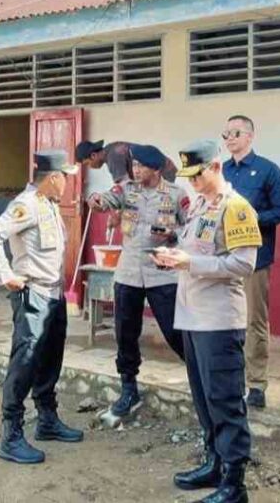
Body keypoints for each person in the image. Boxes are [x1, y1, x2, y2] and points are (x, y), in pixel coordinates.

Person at [152, 140, 261, 503]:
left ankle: (234, 482)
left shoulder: (237, 208)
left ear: (216, 166)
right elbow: (193, 251)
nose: (193, 182)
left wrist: (190, 263)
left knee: (225, 400)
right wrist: (171, 257)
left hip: (219, 320)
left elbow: (243, 264)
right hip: (193, 316)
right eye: (189, 177)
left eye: (198, 175)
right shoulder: (199, 204)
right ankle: (214, 462)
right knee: (204, 399)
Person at [0, 149, 84, 465]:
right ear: (53, 178)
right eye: (65, 177)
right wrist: (6, 275)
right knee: (25, 361)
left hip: (53, 294)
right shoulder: (25, 205)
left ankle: (47, 419)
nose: (67, 182)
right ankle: (11, 434)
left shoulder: (49, 203)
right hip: (33, 294)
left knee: (50, 358)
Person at [87, 144, 188, 418]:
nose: (136, 170)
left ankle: (200, 375)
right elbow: (106, 200)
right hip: (129, 272)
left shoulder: (177, 194)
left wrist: (173, 234)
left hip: (161, 273)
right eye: (134, 165)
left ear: (155, 169)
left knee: (175, 331)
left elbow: (189, 228)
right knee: (125, 333)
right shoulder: (126, 190)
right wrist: (96, 200)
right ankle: (128, 388)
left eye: (141, 166)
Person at [221, 115, 280, 409]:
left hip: (254, 258)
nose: (229, 139)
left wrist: (250, 220)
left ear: (250, 136)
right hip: (222, 257)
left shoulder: (267, 170)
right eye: (226, 134)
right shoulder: (222, 171)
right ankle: (230, 378)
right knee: (224, 319)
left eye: (235, 133)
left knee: (254, 321)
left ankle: (257, 383)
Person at [76, 139, 178, 183]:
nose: (90, 167)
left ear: (93, 155)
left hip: (163, 173)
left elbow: (125, 187)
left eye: (87, 164)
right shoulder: (111, 148)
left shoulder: (113, 157)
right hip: (166, 169)